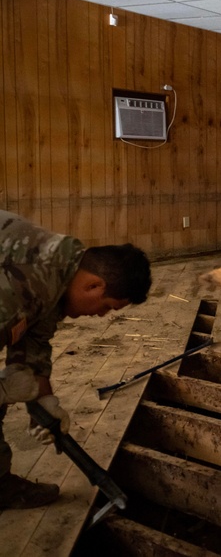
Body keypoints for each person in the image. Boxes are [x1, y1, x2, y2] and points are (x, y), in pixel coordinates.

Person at [1, 209, 151, 509]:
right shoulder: (18, 287)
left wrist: (45, 402)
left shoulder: (62, 270)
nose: (100, 316)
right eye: (106, 307)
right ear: (94, 285)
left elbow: (35, 343)